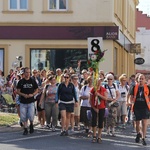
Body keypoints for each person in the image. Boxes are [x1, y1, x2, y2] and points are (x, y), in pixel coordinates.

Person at [17, 67, 38, 135]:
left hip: (31, 101)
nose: (28, 74)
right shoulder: (21, 81)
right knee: (23, 116)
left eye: (29, 72)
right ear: (24, 73)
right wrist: (23, 95)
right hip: (23, 102)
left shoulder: (32, 81)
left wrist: (33, 94)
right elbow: (18, 91)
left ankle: (31, 124)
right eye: (26, 72)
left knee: (31, 115)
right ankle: (25, 128)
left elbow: (36, 90)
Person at [130, 74, 150, 146]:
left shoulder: (148, 87)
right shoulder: (134, 87)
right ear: (137, 80)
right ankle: (138, 133)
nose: (141, 80)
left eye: (142, 78)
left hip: (145, 106)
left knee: (144, 123)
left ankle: (143, 138)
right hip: (136, 106)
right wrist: (130, 102)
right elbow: (131, 96)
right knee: (137, 123)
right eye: (140, 79)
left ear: (145, 80)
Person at [90, 78, 108, 143]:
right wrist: (94, 108)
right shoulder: (92, 90)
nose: (98, 83)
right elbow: (90, 100)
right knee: (94, 121)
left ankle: (99, 136)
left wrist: (99, 95)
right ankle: (94, 135)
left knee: (100, 122)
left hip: (101, 107)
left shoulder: (103, 89)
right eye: (97, 82)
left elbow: (106, 98)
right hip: (94, 107)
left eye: (99, 82)